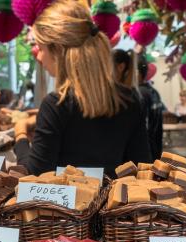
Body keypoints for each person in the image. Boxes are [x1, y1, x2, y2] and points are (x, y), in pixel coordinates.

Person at [14, 0, 150, 178]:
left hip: (64, 205)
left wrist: (21, 133)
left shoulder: (56, 104)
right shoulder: (130, 99)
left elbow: (34, 175)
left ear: (58, 50)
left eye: (41, 47)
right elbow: (142, 166)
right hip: (115, 204)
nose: (38, 56)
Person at [137, 54, 164, 160]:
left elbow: (143, 128)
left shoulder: (139, 94)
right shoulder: (154, 92)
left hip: (142, 152)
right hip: (154, 149)